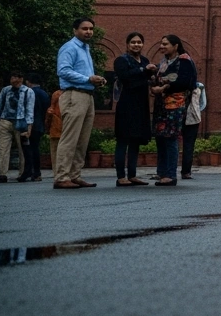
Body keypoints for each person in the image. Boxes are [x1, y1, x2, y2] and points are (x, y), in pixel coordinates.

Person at [54, 17, 106, 189]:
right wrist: (87, 78)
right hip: (73, 95)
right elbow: (63, 71)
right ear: (75, 30)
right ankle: (62, 177)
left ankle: (74, 175)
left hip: (87, 95)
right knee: (70, 137)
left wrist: (96, 80)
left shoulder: (86, 49)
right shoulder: (69, 47)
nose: (89, 32)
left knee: (82, 139)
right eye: (85, 29)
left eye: (91, 28)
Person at [151, 34, 197, 186]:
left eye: (166, 44)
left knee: (171, 137)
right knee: (160, 137)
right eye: (161, 43)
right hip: (160, 105)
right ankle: (161, 172)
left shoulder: (184, 60)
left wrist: (164, 87)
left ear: (176, 46)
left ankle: (170, 174)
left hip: (175, 106)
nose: (162, 46)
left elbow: (187, 82)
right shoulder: (164, 62)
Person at [112, 32, 155, 187]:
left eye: (139, 42)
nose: (136, 45)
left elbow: (146, 78)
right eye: (133, 42)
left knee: (136, 140)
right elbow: (125, 77)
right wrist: (144, 71)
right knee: (123, 140)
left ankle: (132, 175)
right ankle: (120, 176)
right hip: (126, 104)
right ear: (127, 44)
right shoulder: (121, 60)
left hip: (141, 104)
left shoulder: (144, 60)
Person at [0, 70, 33, 183]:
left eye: (18, 79)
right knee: (3, 148)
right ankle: (2, 174)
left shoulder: (28, 91)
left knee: (21, 148)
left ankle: (22, 173)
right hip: (6, 120)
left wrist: (29, 127)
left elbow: (29, 110)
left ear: (22, 79)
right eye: (13, 78)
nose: (15, 81)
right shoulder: (6, 90)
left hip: (20, 122)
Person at [20, 74, 49, 182]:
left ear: (28, 82)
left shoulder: (28, 93)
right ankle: (36, 172)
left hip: (29, 124)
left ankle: (29, 171)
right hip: (39, 124)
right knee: (35, 148)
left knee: (27, 149)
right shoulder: (44, 94)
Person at [182, 81, 206, 179]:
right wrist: (196, 110)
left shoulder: (199, 86)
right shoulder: (199, 86)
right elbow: (203, 103)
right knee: (189, 145)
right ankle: (186, 172)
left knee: (171, 143)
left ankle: (167, 172)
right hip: (192, 117)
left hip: (178, 115)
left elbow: (203, 103)